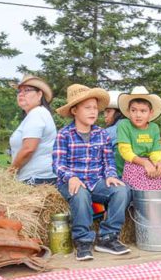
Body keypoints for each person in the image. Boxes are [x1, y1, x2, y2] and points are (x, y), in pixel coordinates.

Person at [53, 84, 131, 261]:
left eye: (95, 108)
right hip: (72, 181)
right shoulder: (64, 134)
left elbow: (108, 161)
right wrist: (70, 177)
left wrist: (111, 175)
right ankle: (83, 240)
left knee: (122, 190)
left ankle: (108, 236)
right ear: (74, 110)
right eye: (87, 108)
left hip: (96, 181)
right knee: (80, 195)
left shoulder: (102, 134)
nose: (93, 112)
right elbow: (57, 164)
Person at [115, 86, 161, 190]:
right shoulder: (124, 125)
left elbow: (155, 151)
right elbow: (125, 151)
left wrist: (160, 162)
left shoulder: (154, 127)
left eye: (143, 111)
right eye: (134, 110)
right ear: (128, 111)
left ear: (150, 113)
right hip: (130, 164)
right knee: (141, 187)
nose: (138, 115)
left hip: (148, 164)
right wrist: (145, 163)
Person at [9, 75, 57, 185]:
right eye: (19, 91)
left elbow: (28, 149)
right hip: (37, 178)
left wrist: (10, 172)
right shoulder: (36, 114)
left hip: (36, 180)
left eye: (27, 90)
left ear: (39, 94)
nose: (21, 94)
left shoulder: (37, 113)